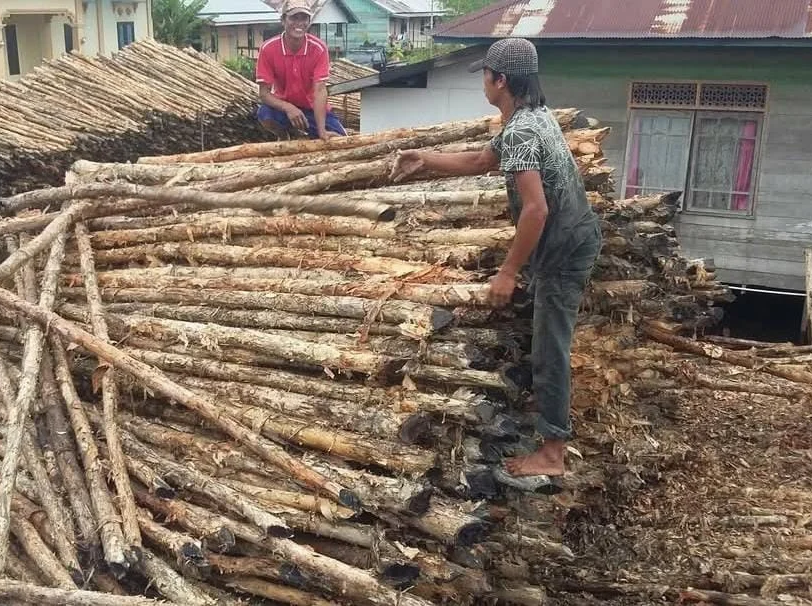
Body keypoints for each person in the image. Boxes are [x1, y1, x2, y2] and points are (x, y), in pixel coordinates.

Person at [390, 38, 601, 477]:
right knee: (543, 334)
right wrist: (424, 158)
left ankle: (552, 453)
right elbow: (480, 160)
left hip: (563, 248)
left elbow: (537, 209)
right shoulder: (529, 117)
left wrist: (508, 270)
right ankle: (544, 423)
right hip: (568, 237)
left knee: (551, 346)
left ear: (501, 80)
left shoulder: (523, 130)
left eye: (486, 76)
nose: (483, 84)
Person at [255, 0, 347, 141]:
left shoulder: (318, 49)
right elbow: (264, 93)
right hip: (284, 109)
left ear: (309, 22)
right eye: (293, 17)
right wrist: (288, 108)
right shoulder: (268, 49)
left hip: (312, 110)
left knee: (340, 138)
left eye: (304, 18)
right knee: (264, 113)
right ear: (283, 20)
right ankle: (284, 136)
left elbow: (320, 91)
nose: (299, 23)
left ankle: (311, 133)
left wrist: (322, 131)